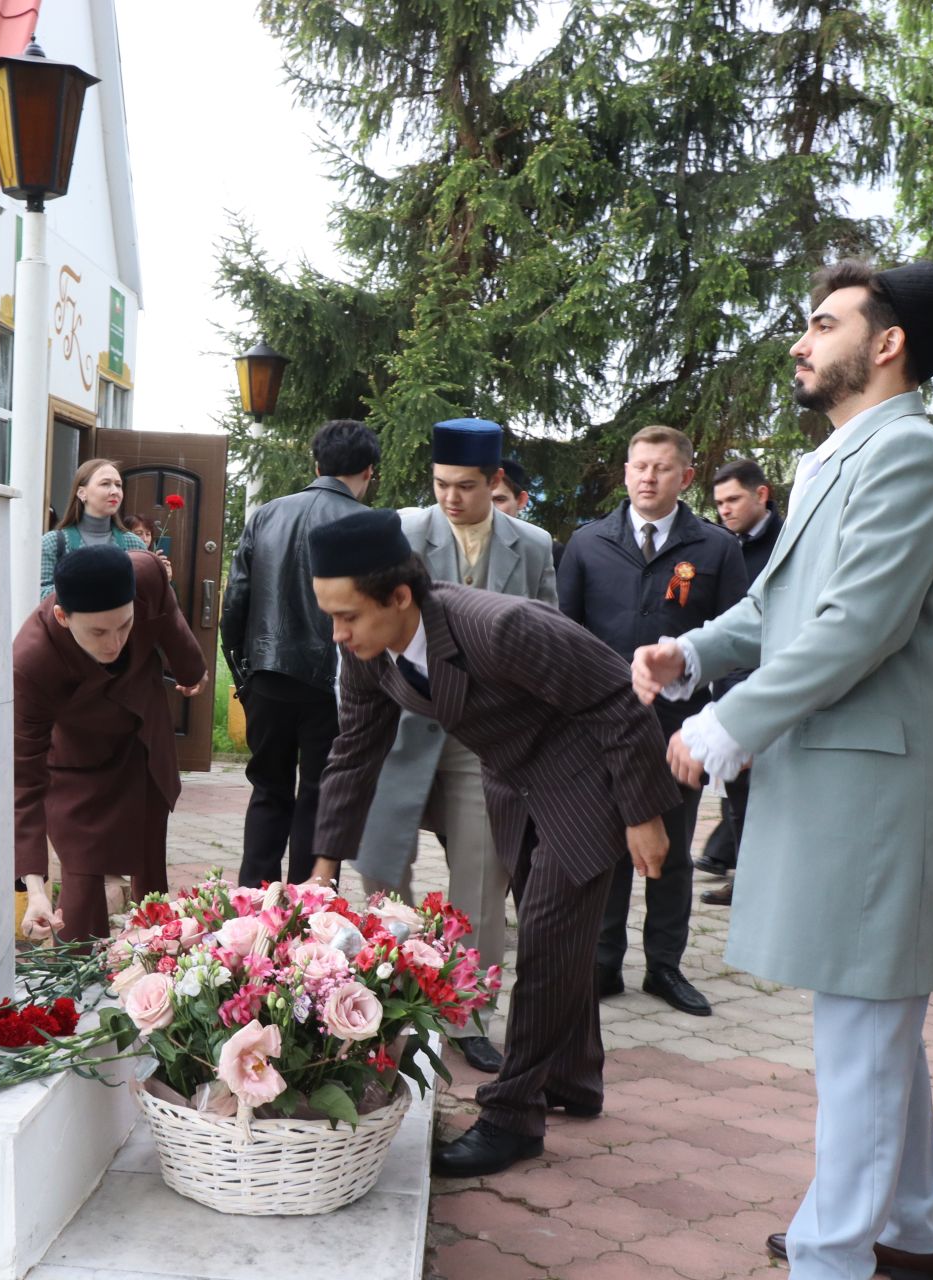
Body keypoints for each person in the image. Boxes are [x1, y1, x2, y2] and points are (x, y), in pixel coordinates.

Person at [633, 258, 933, 1280]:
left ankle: (834, 1257)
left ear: (886, 344)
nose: (800, 339)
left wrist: (723, 726)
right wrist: (691, 654)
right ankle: (909, 1233)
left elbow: (856, 625)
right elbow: (783, 609)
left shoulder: (910, 457)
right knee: (873, 1034)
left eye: (823, 323)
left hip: (878, 797)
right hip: (845, 787)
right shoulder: (840, 456)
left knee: (863, 1045)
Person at [307, 508, 679, 1176]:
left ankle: (511, 1119)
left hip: (587, 775)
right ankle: (573, 1079)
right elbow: (354, 750)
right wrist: (322, 867)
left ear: (398, 597)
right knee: (559, 940)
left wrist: (644, 812)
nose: (337, 633)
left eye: (348, 616)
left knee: (542, 941)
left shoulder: (499, 626)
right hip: (514, 783)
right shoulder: (368, 650)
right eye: (329, 616)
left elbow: (617, 700)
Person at [350, 418, 558, 1074]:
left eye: (465, 487)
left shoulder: (533, 545)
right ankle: (387, 1000)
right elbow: (358, 635)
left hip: (484, 740)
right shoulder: (399, 535)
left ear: (495, 482)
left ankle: (468, 1014)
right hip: (401, 731)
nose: (449, 498)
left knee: (483, 875)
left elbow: (547, 636)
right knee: (383, 871)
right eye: (440, 484)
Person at [558, 425, 747, 1017]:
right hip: (601, 729)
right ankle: (602, 962)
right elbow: (565, 637)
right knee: (609, 846)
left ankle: (664, 966)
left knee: (670, 851)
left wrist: (727, 721)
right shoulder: (588, 544)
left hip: (678, 731)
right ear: (625, 472)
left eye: (662, 468)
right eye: (639, 466)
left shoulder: (715, 549)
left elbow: (739, 643)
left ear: (686, 477)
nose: (647, 477)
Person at [16, 547, 206, 943]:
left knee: (149, 855)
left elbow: (168, 618)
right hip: (76, 757)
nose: (114, 643)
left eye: (124, 625)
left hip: (141, 730)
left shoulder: (148, 574)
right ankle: (78, 984)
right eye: (99, 632)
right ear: (62, 617)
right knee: (82, 871)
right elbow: (23, 780)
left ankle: (161, 961)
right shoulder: (31, 661)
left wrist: (192, 669)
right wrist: (35, 891)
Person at [220, 420, 379, 888]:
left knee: (267, 791)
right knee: (318, 794)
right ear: (369, 471)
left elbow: (236, 603)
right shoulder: (367, 525)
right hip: (334, 679)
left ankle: (252, 909)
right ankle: (308, 918)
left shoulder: (267, 515)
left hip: (267, 675)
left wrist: (244, 673)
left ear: (316, 465)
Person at [696, 457, 786, 907]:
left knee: (773, 790)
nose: (724, 510)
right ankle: (744, 873)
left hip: (775, 682)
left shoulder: (788, 543)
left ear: (761, 494)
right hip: (729, 682)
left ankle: (761, 877)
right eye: (718, 503)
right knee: (738, 788)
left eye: (733, 499)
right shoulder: (719, 545)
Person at [38, 459, 151, 600]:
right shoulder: (53, 542)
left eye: (118, 485)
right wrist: (87, 581)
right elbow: (41, 596)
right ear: (81, 493)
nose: (115, 491)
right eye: (105, 484)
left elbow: (146, 597)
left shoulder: (134, 544)